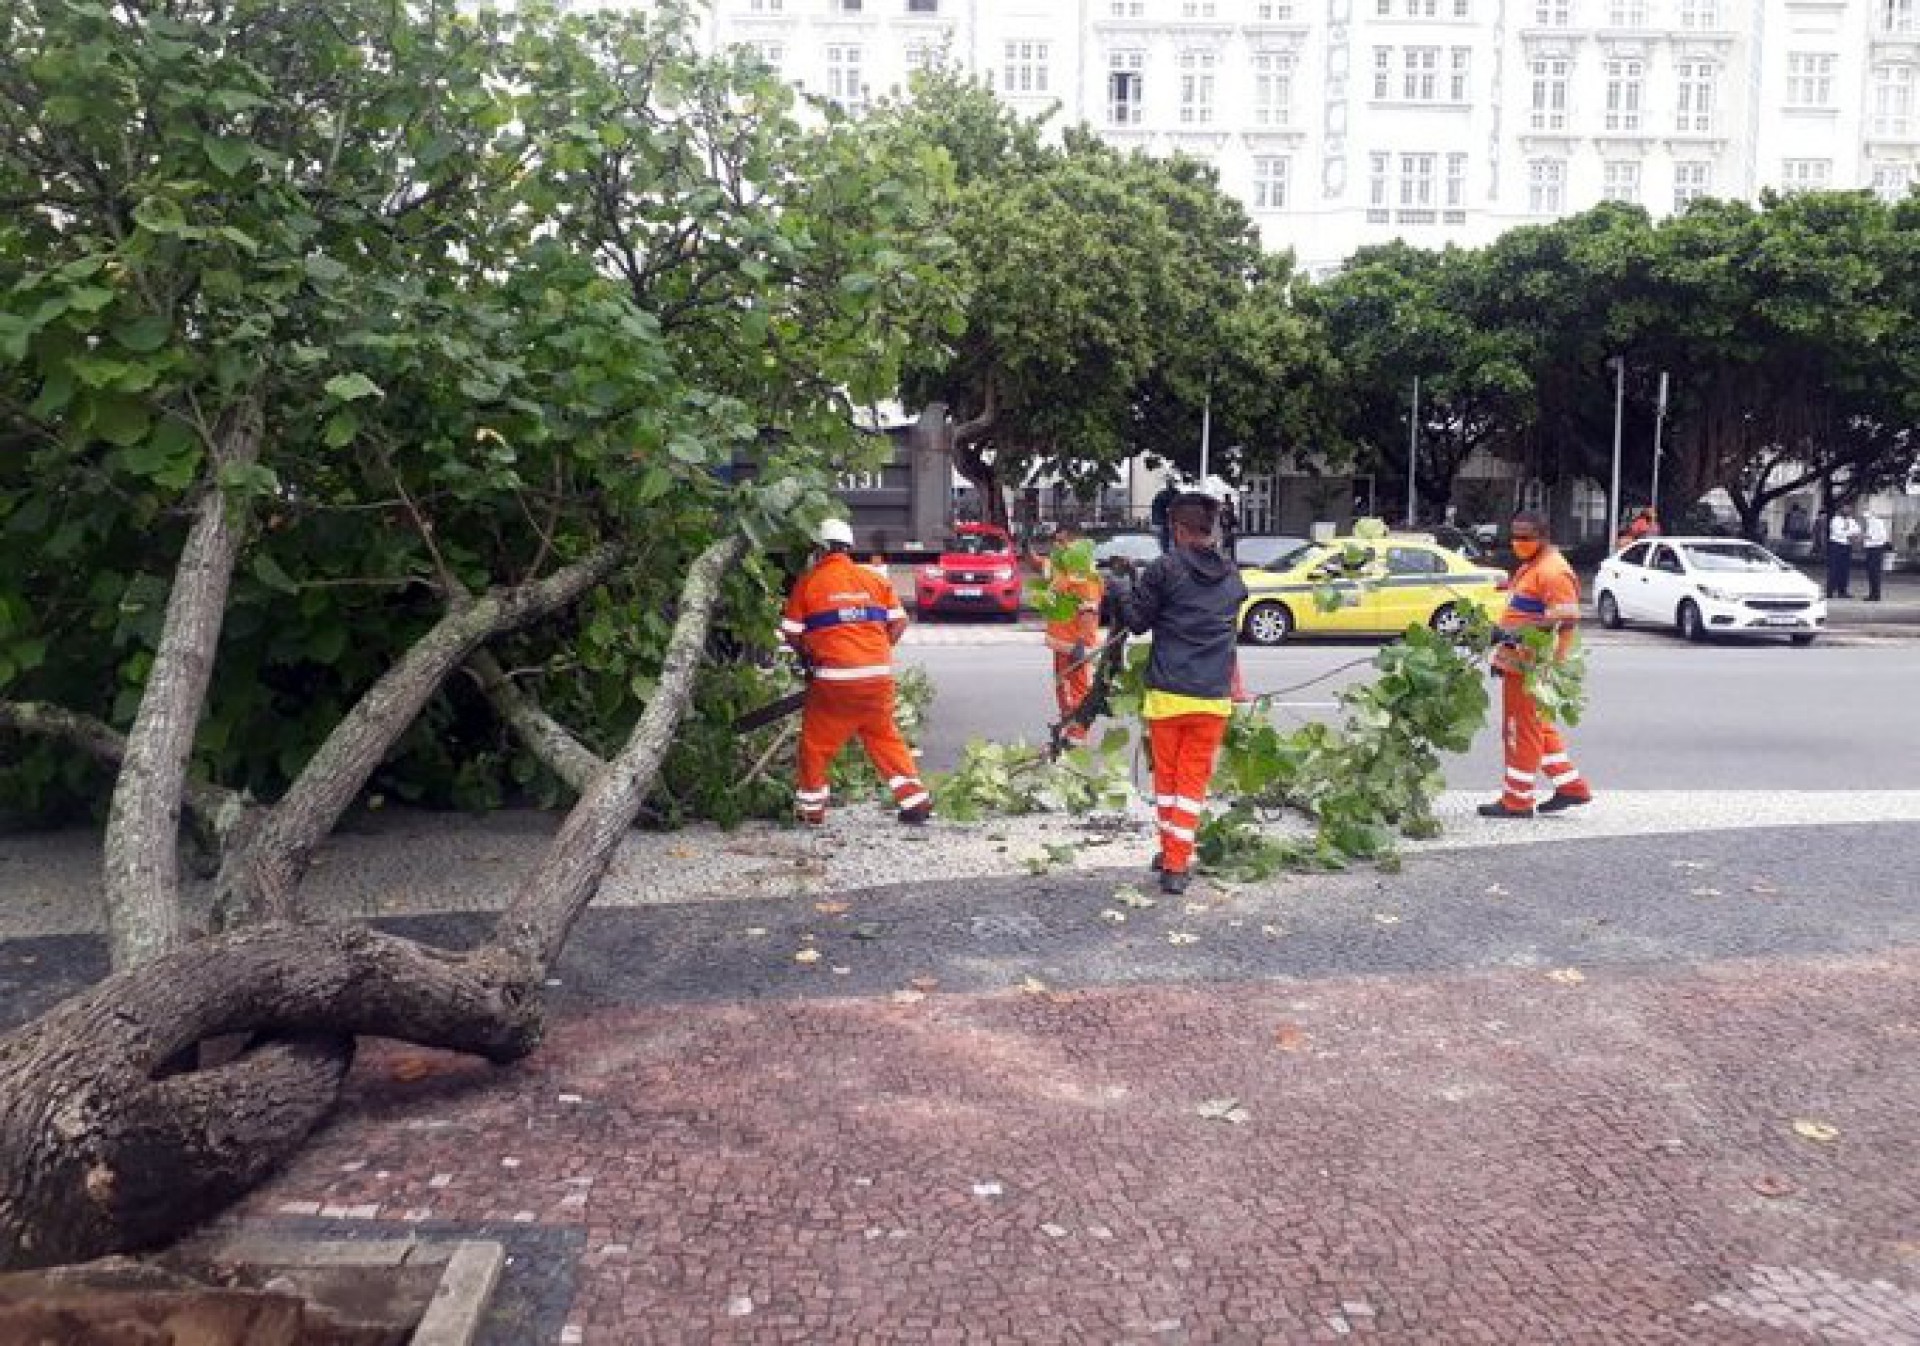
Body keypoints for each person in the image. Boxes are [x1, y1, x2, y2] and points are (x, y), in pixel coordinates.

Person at [1108, 493, 1249, 894]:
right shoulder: (1232, 575)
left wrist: (1120, 591)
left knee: (1169, 782)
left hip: (1169, 697)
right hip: (1213, 699)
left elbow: (1136, 622)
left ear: (1178, 530)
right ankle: (1174, 853)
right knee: (1192, 784)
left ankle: (1174, 861)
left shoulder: (1164, 570)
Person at [781, 519, 932, 826]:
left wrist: (809, 658)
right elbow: (900, 622)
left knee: (816, 744)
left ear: (819, 549)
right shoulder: (873, 580)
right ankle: (914, 800)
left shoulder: (809, 582)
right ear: (848, 547)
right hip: (877, 678)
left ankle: (811, 809)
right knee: (884, 737)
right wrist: (876, 650)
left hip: (835, 682)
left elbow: (791, 631)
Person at [1480, 510, 1594, 821]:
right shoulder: (1532, 567)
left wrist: (1510, 635)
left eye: (1526, 537)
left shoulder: (1554, 571)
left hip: (1534, 664)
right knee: (1537, 726)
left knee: (1520, 730)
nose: (1519, 542)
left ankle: (1517, 801)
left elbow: (1565, 618)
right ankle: (1572, 786)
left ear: (1543, 536)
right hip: (1522, 660)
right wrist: (1503, 652)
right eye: (1515, 536)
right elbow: (1524, 611)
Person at [1032, 522, 1104, 749]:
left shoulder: (1085, 576)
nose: (1058, 546)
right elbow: (1041, 567)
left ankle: (1078, 733)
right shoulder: (1063, 569)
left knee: (1078, 688)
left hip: (1075, 643)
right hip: (1062, 642)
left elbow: (1089, 611)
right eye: (1056, 542)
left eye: (1062, 542)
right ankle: (1068, 725)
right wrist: (1028, 549)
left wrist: (1081, 643)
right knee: (1062, 687)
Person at [1826, 505, 1861, 599]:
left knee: (1845, 569)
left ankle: (1842, 591)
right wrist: (1850, 533)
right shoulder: (1835, 520)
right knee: (1834, 569)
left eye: (1849, 508)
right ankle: (1830, 591)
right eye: (1845, 508)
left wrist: (1849, 533)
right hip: (1836, 546)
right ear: (1841, 509)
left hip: (1847, 546)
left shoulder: (1851, 520)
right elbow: (1837, 532)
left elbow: (1857, 530)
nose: (1847, 510)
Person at [1861, 508, 1890, 602]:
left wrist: (1869, 537)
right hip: (1870, 549)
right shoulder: (1869, 523)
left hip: (1876, 549)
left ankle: (1876, 595)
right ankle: (1872, 593)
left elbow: (1883, 537)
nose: (1865, 519)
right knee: (1870, 572)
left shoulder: (1878, 522)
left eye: (1866, 516)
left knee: (1875, 573)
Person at [1149, 479, 1180, 555]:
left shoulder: (1163, 495)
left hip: (1162, 523)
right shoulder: (1172, 495)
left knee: (1165, 543)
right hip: (1163, 523)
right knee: (1166, 543)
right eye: (1171, 483)